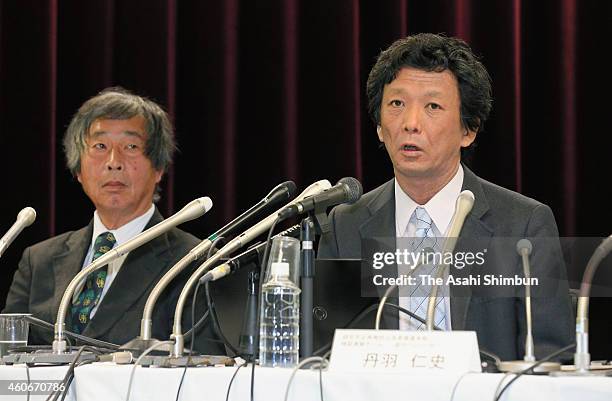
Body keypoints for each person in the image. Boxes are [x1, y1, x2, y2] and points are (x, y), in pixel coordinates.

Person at [318, 33, 574, 361]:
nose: (411, 124)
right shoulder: (345, 224)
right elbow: (327, 353)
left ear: (469, 130)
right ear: (379, 126)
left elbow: (551, 358)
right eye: (397, 104)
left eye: (433, 106)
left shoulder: (523, 224)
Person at [3, 87, 224, 355]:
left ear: (159, 168)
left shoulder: (194, 261)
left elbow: (204, 369)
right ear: (78, 170)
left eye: (131, 147)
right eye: (99, 146)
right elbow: (7, 360)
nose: (113, 162)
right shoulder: (38, 261)